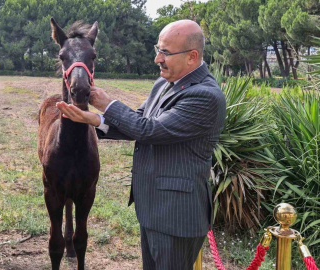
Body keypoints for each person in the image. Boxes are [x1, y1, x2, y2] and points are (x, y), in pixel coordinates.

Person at [56, 19, 226, 270]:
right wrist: (94, 119)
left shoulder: (205, 96)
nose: (158, 59)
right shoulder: (164, 83)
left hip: (176, 218)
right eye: (158, 50)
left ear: (192, 57)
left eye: (165, 52)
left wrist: (107, 105)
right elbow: (138, 121)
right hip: (152, 210)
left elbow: (149, 130)